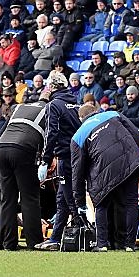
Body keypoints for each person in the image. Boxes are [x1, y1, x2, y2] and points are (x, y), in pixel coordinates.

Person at [72, 105, 139, 252]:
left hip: (102, 169)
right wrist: (130, 151)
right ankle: (129, 244)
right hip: (130, 161)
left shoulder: (78, 135)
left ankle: (102, 244)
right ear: (96, 111)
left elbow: (77, 171)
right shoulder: (113, 114)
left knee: (101, 205)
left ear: (81, 119)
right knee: (130, 203)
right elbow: (136, 133)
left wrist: (79, 202)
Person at [37, 71, 81, 248]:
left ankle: (83, 232)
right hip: (76, 155)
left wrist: (45, 160)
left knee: (70, 198)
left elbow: (51, 133)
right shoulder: (74, 104)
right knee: (62, 199)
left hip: (64, 157)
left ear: (52, 87)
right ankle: (55, 238)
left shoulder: (54, 105)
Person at [0, 100, 49, 251]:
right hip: (23, 147)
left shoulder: (20, 107)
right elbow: (49, 138)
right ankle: (34, 242)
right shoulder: (49, 110)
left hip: (2, 146)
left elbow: (1, 132)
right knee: (29, 198)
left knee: (7, 199)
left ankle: (8, 243)